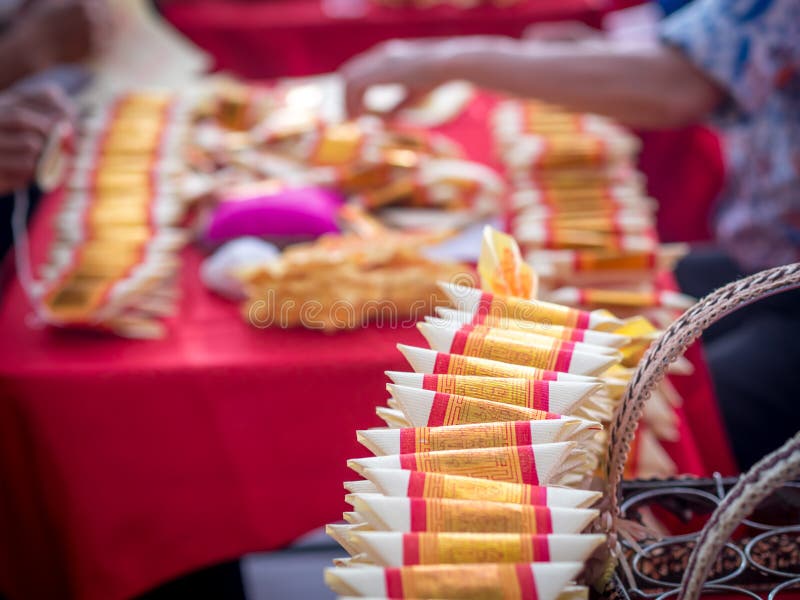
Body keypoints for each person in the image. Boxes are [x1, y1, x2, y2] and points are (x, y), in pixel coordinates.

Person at [339, 0, 800, 469]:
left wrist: (450, 59)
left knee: (595, 427)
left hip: (787, 292)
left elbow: (679, 84)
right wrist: (598, 55)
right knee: (548, 329)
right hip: (763, 267)